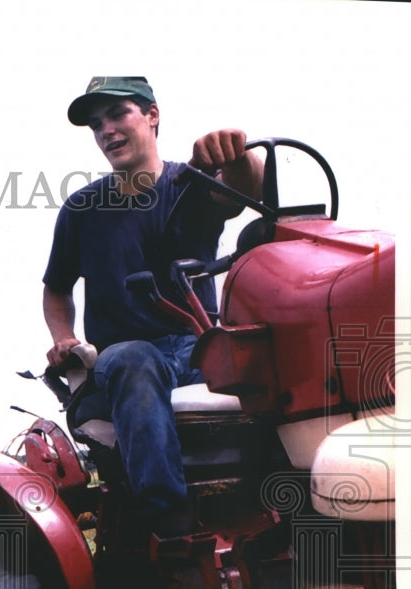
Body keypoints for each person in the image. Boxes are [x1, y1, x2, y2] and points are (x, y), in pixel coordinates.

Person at [42, 76, 263, 540]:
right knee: (133, 358)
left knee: (277, 354)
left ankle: (290, 515)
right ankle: (172, 531)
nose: (106, 130)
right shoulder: (82, 209)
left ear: (152, 115)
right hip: (125, 358)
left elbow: (247, 190)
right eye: (96, 124)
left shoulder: (192, 184)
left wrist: (239, 153)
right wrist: (63, 337)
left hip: (198, 349)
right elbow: (57, 288)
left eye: (118, 114)